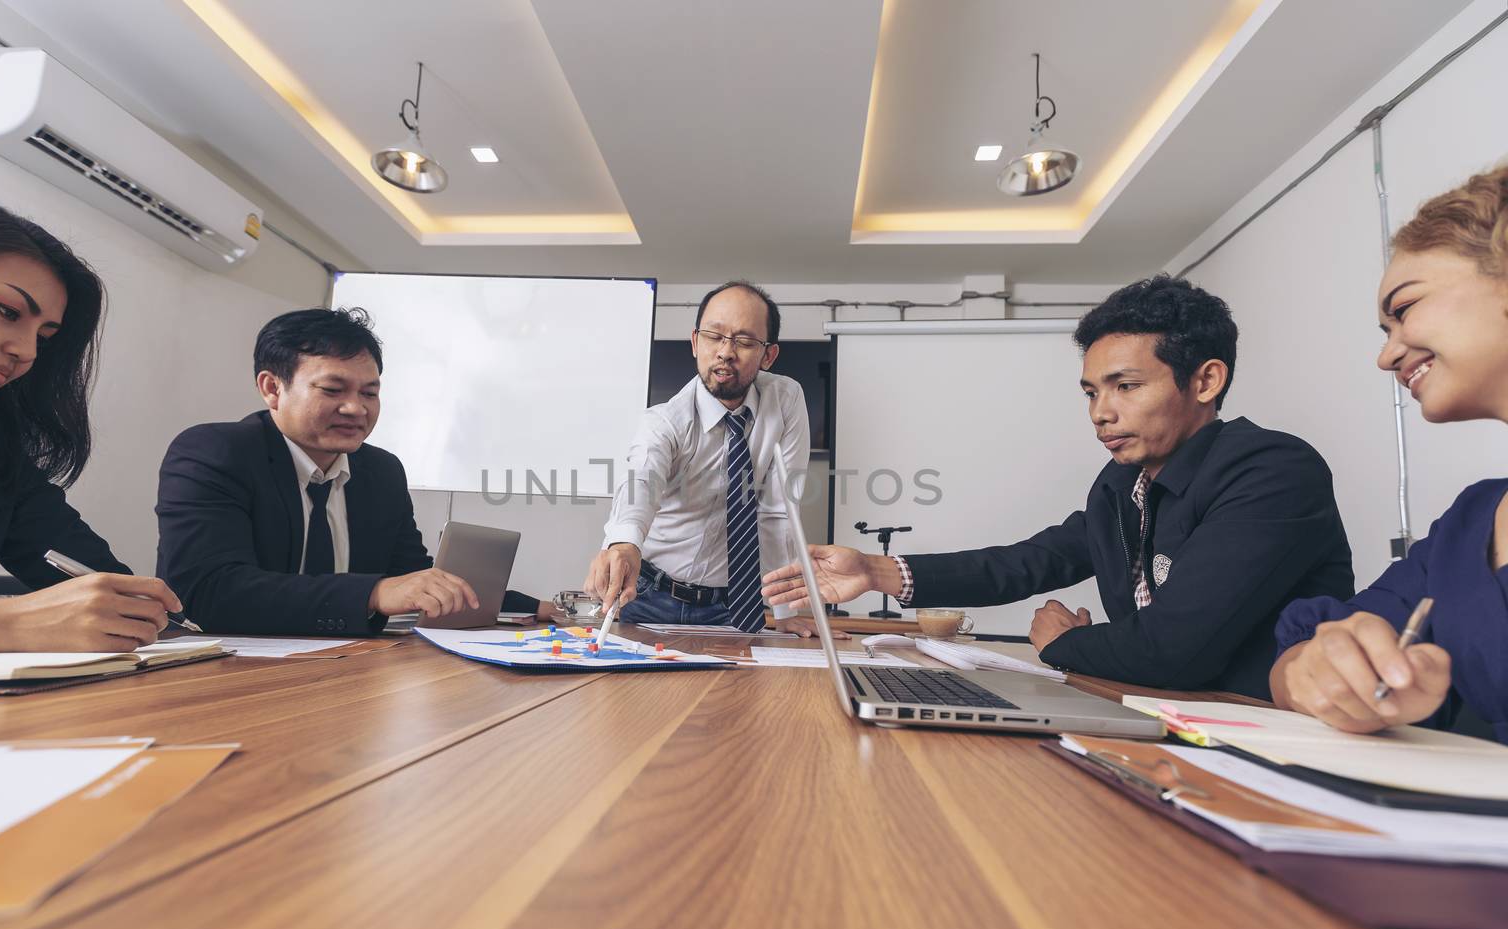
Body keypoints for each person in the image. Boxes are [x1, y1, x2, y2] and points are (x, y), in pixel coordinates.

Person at [764, 275, 1354, 698]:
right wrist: (873, 571)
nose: (1101, 412)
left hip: (1267, 735)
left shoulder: (1272, 471)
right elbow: (1029, 562)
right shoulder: (1121, 484)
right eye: (1092, 392)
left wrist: (1062, 643)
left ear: (1205, 380)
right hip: (1157, 715)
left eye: (1124, 386)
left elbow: (1176, 650)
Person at [1271, 164, 1508, 743]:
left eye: (1403, 311)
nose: (1386, 356)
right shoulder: (1469, 522)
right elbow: (1311, 643)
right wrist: (1315, 673)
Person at [156, 307, 544, 635]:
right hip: (230, 668)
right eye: (332, 390)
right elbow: (209, 590)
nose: (356, 409)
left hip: (351, 668)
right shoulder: (215, 452)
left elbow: (411, 577)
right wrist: (374, 594)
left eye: (369, 393)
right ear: (272, 388)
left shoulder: (381, 471)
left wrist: (525, 605)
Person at [0, 194, 181, 656]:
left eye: (43, 338)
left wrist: (134, 612)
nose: (27, 352)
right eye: (7, 311)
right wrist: (4, 622)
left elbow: (111, 590)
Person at [585, 280, 820, 634]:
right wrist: (624, 544)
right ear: (696, 343)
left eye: (744, 341)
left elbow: (778, 511)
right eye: (714, 336)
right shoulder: (664, 422)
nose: (726, 352)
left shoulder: (785, 401)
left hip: (735, 602)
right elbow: (641, 485)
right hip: (650, 594)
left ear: (768, 355)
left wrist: (785, 612)